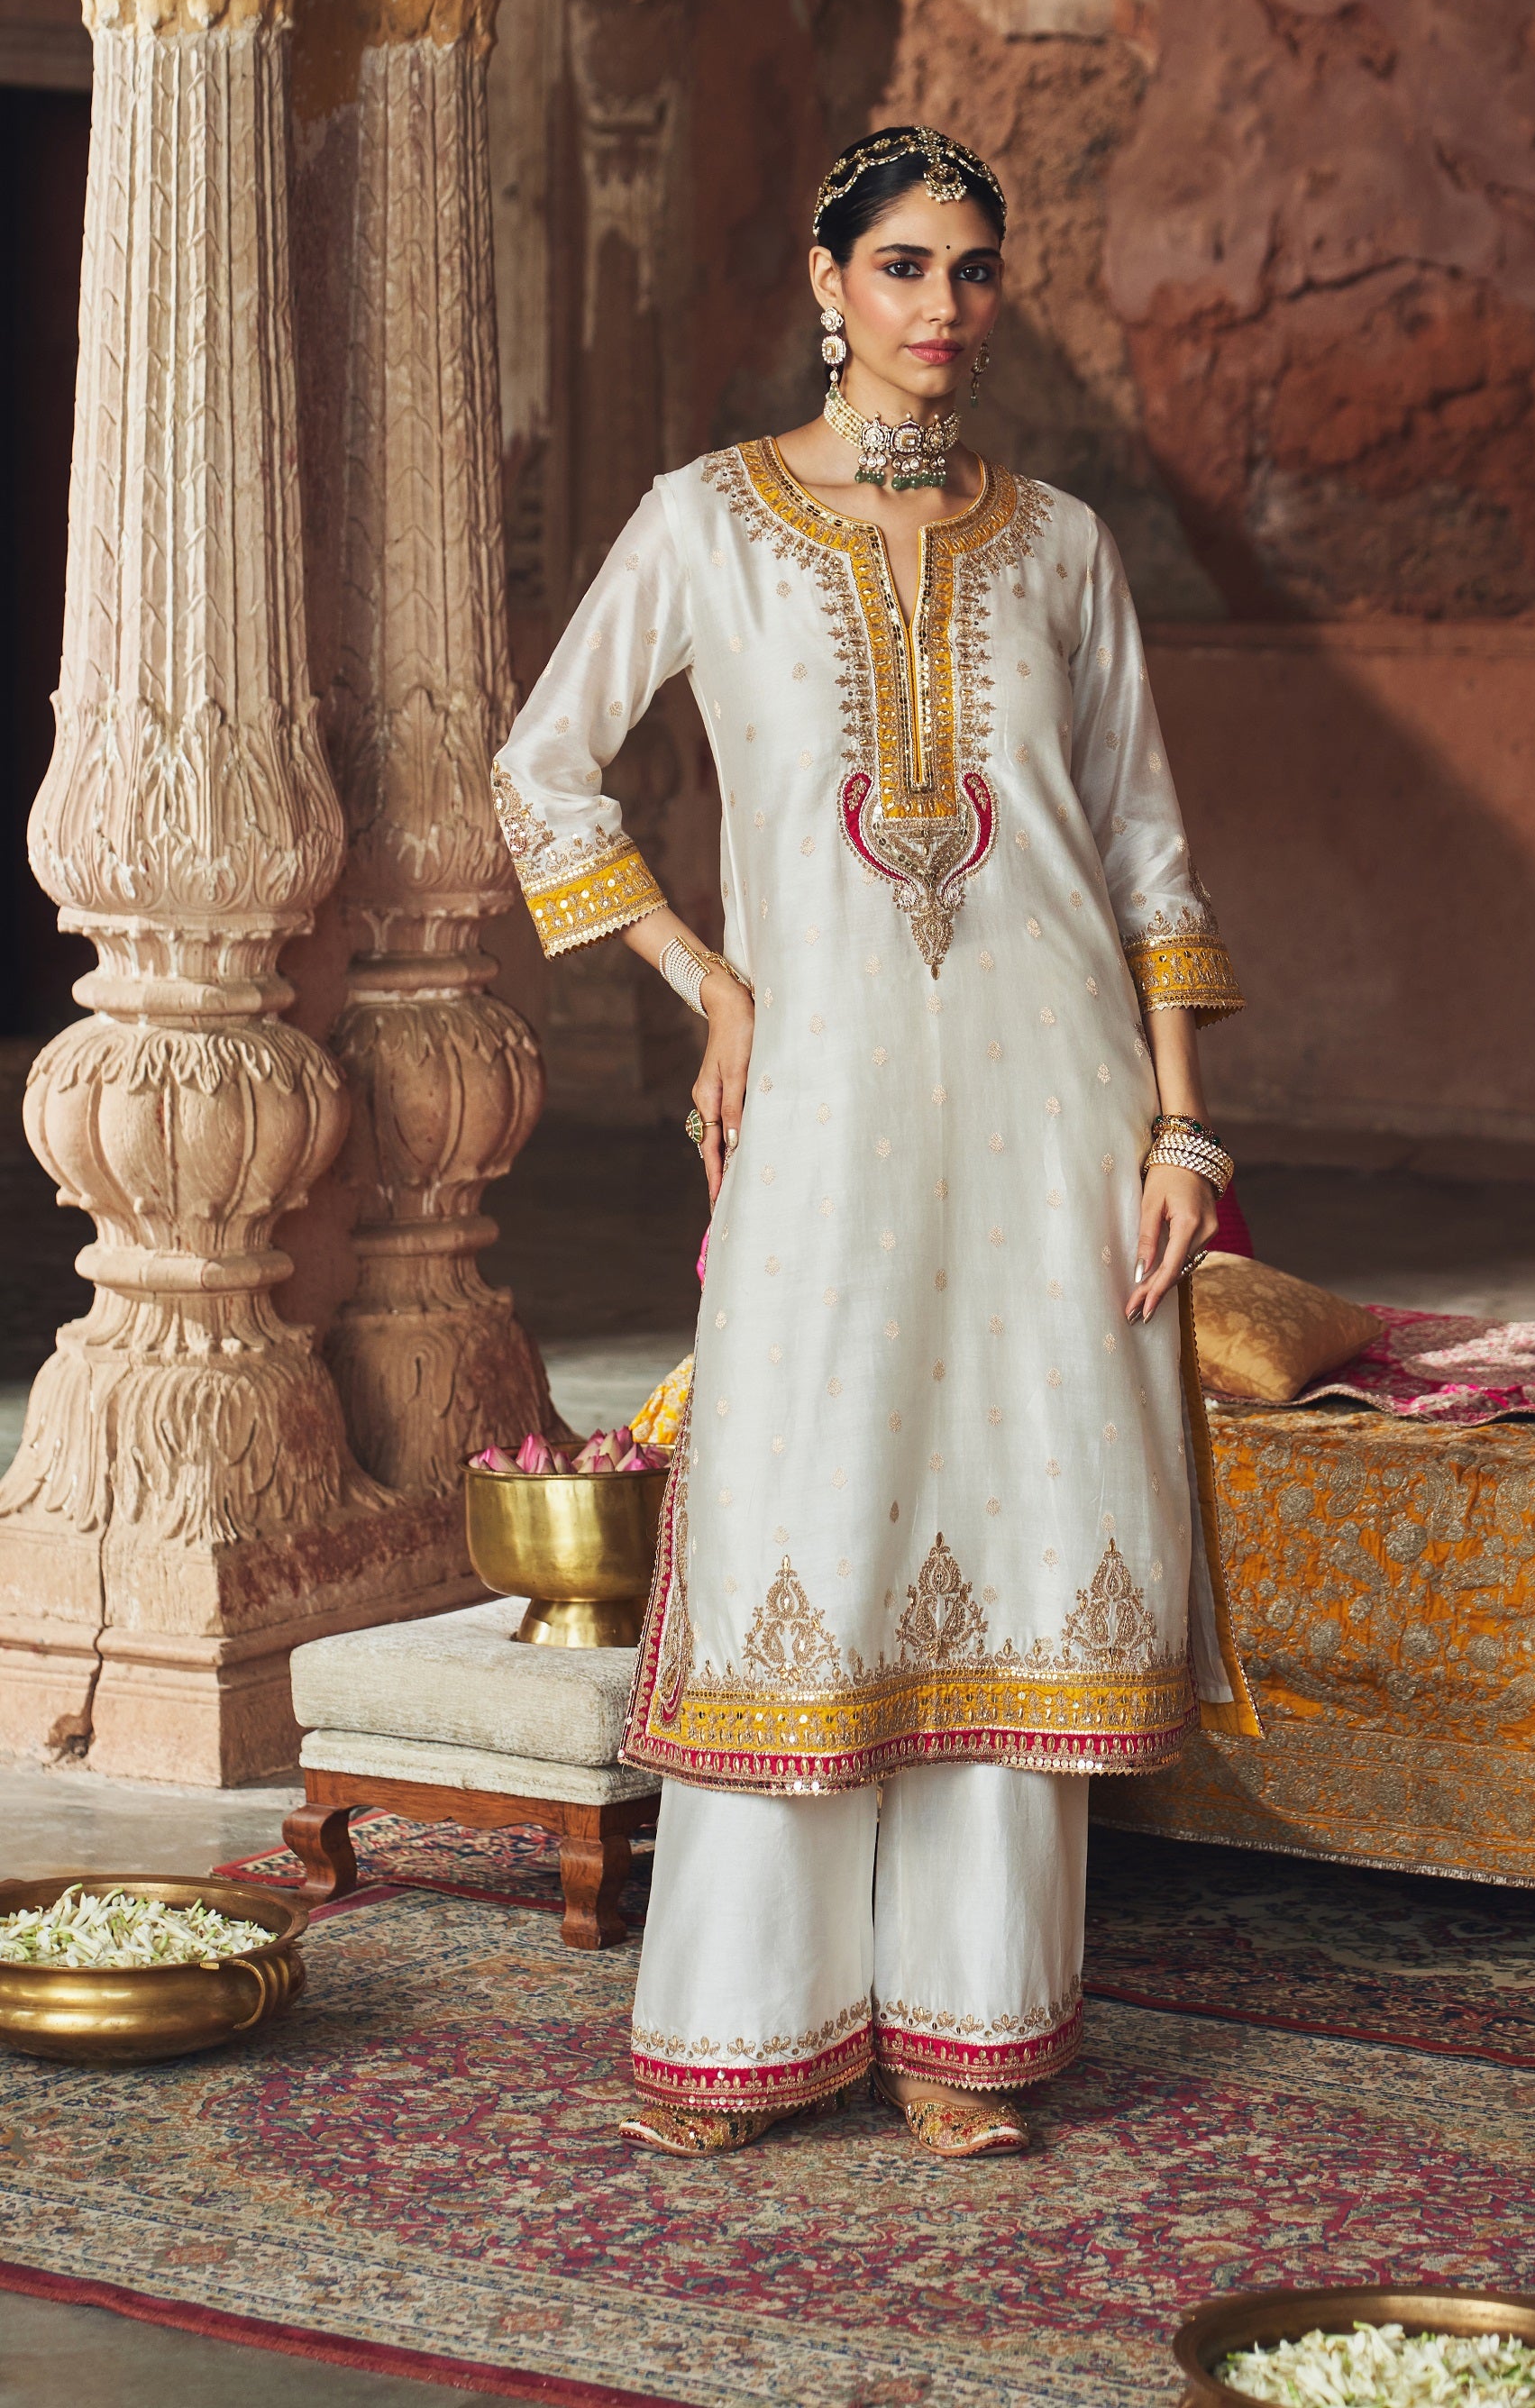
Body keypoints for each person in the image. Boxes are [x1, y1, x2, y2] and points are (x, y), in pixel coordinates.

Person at [492, 124, 1255, 2161]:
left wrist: (1183, 1132)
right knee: (809, 1505)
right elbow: (541, 771)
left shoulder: (1062, 546)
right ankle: (751, 2026)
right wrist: (710, 985)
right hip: (823, 1097)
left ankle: (967, 2034)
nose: (943, 305)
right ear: (826, 284)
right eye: (904, 265)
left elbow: (1146, 849)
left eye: (974, 269)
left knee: (1017, 1510)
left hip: (1056, 1100)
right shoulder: (708, 522)